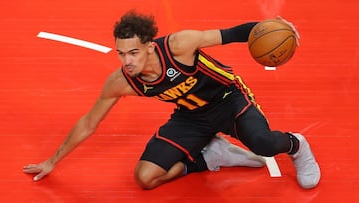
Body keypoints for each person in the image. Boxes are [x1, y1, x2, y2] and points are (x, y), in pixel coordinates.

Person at [23, 11, 320, 190]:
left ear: (150, 47)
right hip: (190, 116)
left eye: (134, 52)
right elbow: (89, 123)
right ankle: (212, 157)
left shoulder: (179, 45)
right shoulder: (122, 82)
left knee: (264, 144)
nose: (127, 61)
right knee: (146, 177)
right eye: (121, 53)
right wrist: (52, 161)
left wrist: (274, 28)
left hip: (228, 99)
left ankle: (297, 146)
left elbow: (232, 34)